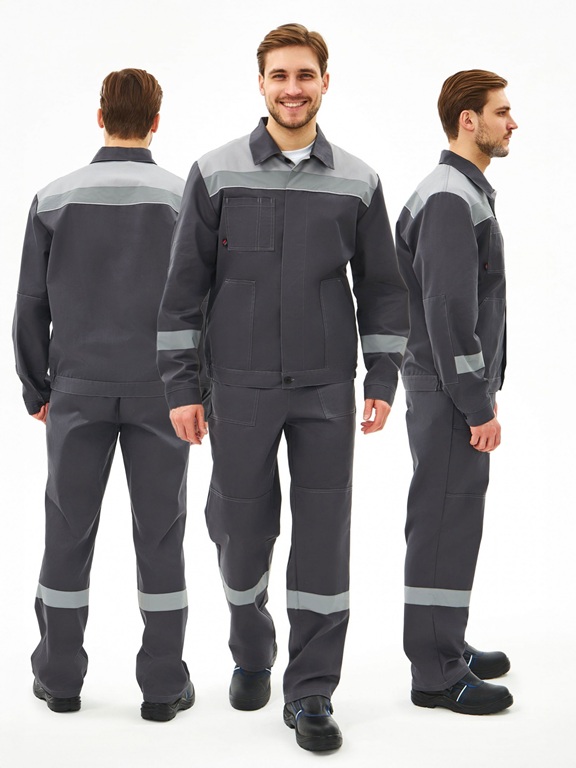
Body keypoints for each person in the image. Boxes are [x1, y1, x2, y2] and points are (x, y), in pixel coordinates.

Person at [157, 23, 409, 751]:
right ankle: (250, 643)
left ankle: (311, 691)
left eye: (305, 75)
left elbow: (383, 290)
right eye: (280, 76)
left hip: (326, 388)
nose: (293, 89)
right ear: (261, 83)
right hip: (237, 387)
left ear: (325, 82)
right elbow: (182, 291)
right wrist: (181, 386)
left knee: (325, 536)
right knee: (240, 530)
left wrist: (382, 376)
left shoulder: (358, 180)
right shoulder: (215, 173)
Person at [12, 69, 194, 722]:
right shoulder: (184, 199)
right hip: (162, 394)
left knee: (66, 531)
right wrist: (198, 387)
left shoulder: (54, 197)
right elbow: (207, 303)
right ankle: (163, 687)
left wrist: (37, 387)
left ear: (100, 117)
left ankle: (60, 679)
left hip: (77, 392)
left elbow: (30, 304)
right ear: (156, 121)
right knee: (162, 535)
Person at [395, 70, 518, 714]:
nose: (512, 122)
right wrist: (477, 402)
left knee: (452, 521)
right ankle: (436, 671)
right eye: (501, 111)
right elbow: (448, 313)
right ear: (468, 120)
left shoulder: (460, 191)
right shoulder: (450, 197)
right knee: (444, 522)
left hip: (448, 385)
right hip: (450, 390)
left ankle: (446, 640)